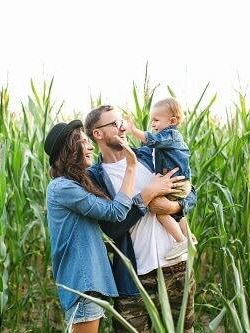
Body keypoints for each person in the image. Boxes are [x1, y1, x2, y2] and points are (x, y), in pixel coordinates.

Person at [44, 119, 182, 333]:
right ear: (69, 150)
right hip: (83, 283)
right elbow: (115, 212)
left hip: (89, 283)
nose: (89, 146)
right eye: (82, 142)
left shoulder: (73, 185)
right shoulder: (62, 188)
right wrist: (132, 168)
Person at [84, 106, 197, 333]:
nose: (123, 127)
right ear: (98, 134)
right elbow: (112, 229)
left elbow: (189, 190)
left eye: (122, 122)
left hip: (177, 269)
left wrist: (173, 205)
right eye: (115, 124)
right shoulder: (94, 178)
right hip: (134, 278)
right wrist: (146, 197)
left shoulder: (149, 154)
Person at [125, 97, 195, 260]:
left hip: (176, 182)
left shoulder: (170, 135)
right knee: (176, 211)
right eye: (152, 120)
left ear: (172, 121)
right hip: (179, 182)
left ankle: (181, 240)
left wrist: (134, 131)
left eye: (156, 120)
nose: (153, 124)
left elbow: (152, 140)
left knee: (158, 209)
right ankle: (188, 236)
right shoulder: (168, 139)